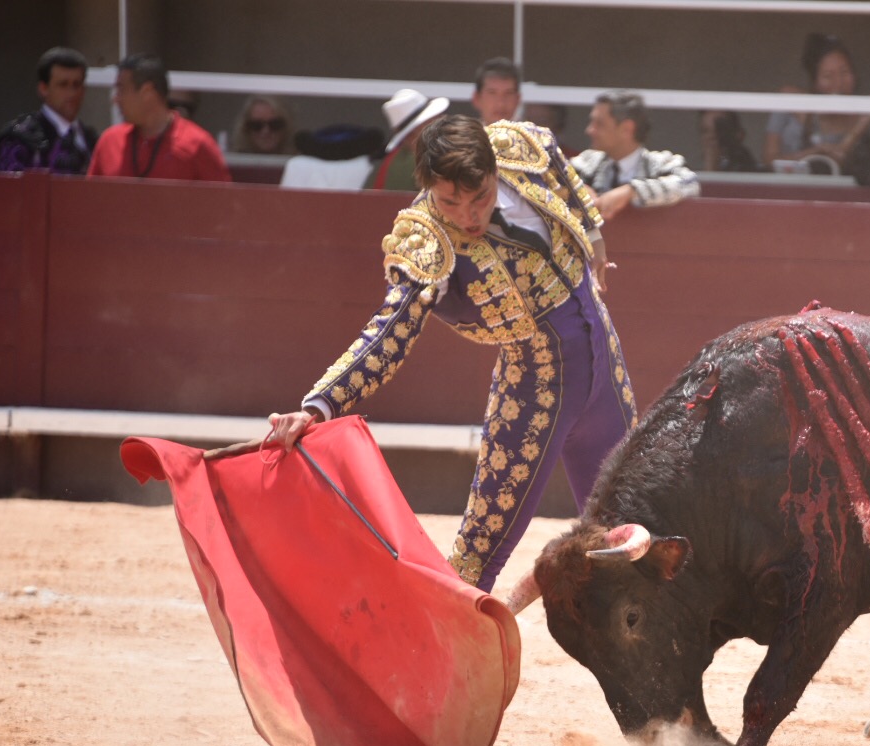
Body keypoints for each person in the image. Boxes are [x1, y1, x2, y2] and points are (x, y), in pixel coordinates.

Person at [267, 115, 636, 591]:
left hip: (604, 360)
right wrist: (319, 405)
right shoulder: (426, 241)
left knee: (629, 524)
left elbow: (563, 175)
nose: (467, 215)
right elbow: (390, 331)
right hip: (537, 389)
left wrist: (594, 235)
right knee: (476, 556)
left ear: (493, 170)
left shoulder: (519, 146)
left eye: (479, 196)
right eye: (449, 202)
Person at [87, 54, 230, 182]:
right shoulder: (110, 142)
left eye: (121, 90)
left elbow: (223, 204)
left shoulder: (197, 145)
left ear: (147, 92)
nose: (116, 99)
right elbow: (91, 201)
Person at [570, 91, 699, 220]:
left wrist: (632, 191)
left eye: (600, 124)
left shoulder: (660, 163)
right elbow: (553, 177)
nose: (590, 130)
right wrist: (577, 188)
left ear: (627, 128)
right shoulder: (587, 162)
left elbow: (690, 183)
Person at [763, 34, 870, 175]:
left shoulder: (864, 115)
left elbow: (838, 161)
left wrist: (857, 130)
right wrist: (814, 152)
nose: (838, 83)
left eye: (844, 72)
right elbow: (769, 160)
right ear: (815, 83)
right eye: (827, 76)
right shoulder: (791, 100)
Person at [0, 46, 97, 174]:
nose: (71, 93)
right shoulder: (22, 138)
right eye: (63, 84)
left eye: (76, 85)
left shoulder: (92, 140)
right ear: (43, 89)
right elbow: (9, 191)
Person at [367, 88, 449, 191]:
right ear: (411, 134)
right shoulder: (427, 163)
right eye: (433, 120)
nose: (443, 121)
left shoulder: (387, 163)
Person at [472, 57, 522, 126]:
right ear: (477, 98)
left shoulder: (534, 136)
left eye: (508, 93)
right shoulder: (464, 136)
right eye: (492, 93)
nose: (500, 104)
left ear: (518, 99)